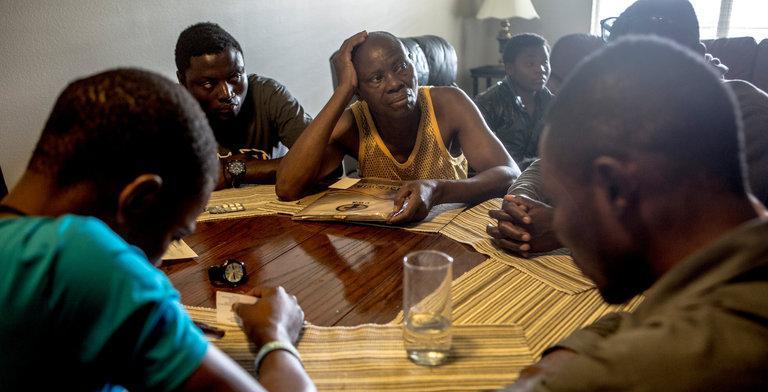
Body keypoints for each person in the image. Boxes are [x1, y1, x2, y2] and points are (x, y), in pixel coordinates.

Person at [407, 36, 768, 392]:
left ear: (615, 189)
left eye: (562, 202)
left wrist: (274, 341)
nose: (559, 225)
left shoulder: (662, 364)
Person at [0, 69, 328, 392]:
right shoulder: (81, 258)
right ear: (138, 201)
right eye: (173, 233)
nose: (157, 262)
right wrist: (275, 336)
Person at [489, 0, 768, 256]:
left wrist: (568, 230)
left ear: (696, 56)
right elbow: (551, 164)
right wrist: (521, 203)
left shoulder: (747, 116)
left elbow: (711, 235)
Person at [275, 31, 518, 224]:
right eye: (377, 78)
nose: (395, 83)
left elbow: (509, 174)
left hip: (449, 236)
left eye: (401, 66)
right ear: (358, 92)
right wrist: (342, 91)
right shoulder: (354, 122)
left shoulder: (447, 103)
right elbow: (287, 187)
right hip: (383, 241)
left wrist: (437, 190)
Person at [175, 22, 313, 189]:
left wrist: (236, 170)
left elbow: (326, 160)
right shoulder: (169, 110)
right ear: (182, 82)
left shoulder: (267, 94)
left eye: (235, 77)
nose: (226, 93)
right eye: (208, 83)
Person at [474, 33, 554, 170]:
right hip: (500, 180)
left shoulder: (552, 102)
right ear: (510, 68)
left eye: (545, 62)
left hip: (538, 178)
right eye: (530, 64)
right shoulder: (487, 103)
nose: (541, 70)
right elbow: (477, 158)